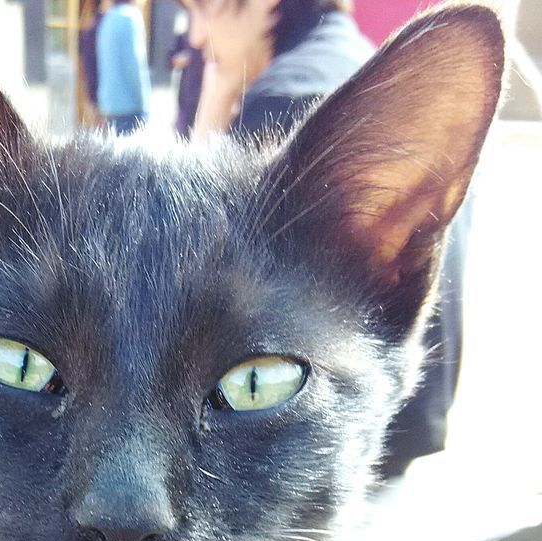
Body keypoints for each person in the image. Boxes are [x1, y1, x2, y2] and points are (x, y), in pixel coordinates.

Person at [186, 0, 469, 480]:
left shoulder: (285, 102)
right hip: (413, 422)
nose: (195, 37)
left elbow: (196, 302)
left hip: (329, 460)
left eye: (203, 10)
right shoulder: (366, 67)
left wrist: (212, 113)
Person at [96, 0, 152, 135]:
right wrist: (143, 101)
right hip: (130, 105)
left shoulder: (107, 18)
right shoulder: (131, 17)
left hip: (110, 103)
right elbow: (135, 64)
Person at [168, 20, 205, 138]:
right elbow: (171, 58)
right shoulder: (185, 27)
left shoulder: (217, 27)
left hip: (206, 95)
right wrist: (179, 59)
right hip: (186, 96)